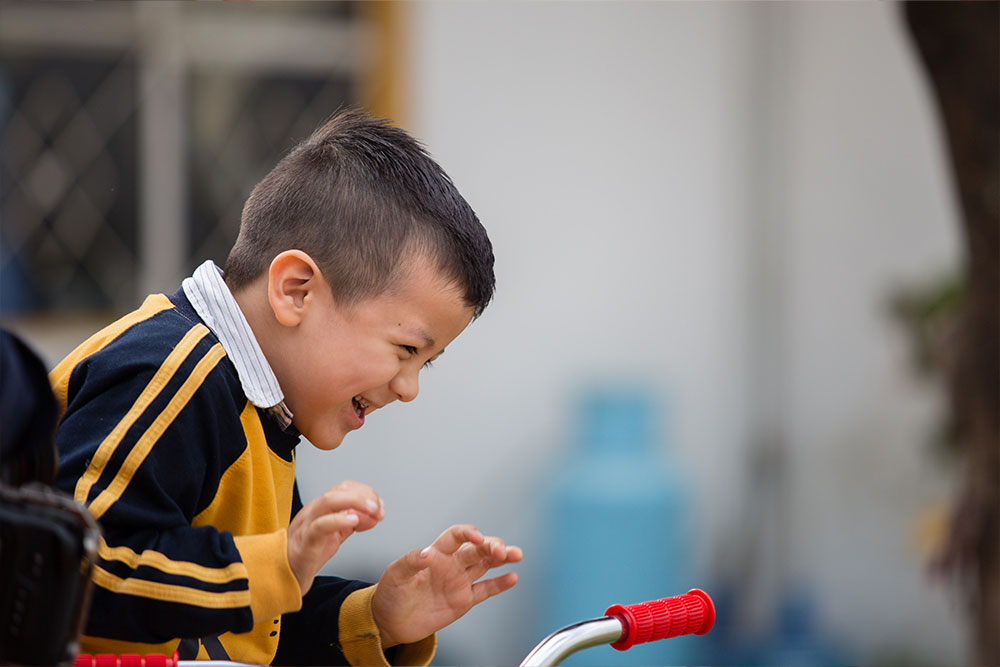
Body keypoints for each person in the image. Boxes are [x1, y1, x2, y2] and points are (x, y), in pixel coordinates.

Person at [50, 109, 522, 666]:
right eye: (406, 351)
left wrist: (377, 619)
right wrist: (279, 563)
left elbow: (253, 624)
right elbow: (71, 578)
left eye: (428, 363)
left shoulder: (265, 408)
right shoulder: (176, 372)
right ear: (296, 291)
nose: (410, 388)